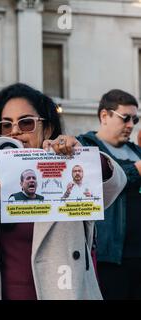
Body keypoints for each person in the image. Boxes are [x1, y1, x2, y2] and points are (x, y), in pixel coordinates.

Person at [0, 83, 126, 300]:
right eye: (5, 125)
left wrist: (82, 157)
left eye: (26, 123)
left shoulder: (65, 168)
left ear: (47, 129)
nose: (15, 131)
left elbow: (114, 185)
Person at [77, 89, 141, 300]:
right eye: (126, 118)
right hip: (109, 258)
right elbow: (101, 183)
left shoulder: (136, 151)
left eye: (135, 118)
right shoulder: (86, 147)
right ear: (105, 116)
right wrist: (137, 170)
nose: (131, 125)